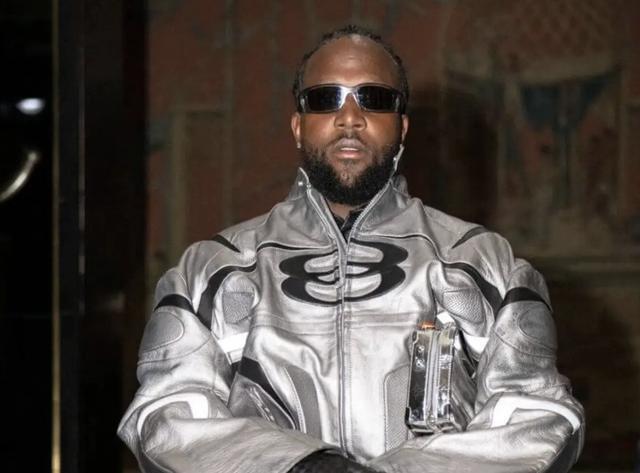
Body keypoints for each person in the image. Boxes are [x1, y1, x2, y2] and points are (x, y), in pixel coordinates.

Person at [118, 25, 584, 473]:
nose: (349, 117)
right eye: (326, 99)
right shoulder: (215, 269)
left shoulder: (481, 262)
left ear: (402, 126)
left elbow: (537, 414)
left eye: (373, 98)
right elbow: (166, 414)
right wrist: (302, 465)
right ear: (298, 126)